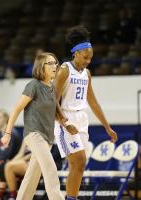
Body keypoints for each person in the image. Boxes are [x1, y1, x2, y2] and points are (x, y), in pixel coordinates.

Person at [1, 52, 78, 200]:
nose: (55, 65)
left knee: (32, 176)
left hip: (48, 138)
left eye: (56, 63)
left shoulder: (52, 88)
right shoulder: (33, 85)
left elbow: (56, 112)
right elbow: (17, 109)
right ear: (41, 67)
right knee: (50, 170)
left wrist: (66, 124)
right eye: (50, 63)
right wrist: (7, 133)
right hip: (34, 134)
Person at [53, 25, 118, 200]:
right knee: (79, 160)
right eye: (86, 57)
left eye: (91, 58)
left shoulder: (87, 74)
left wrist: (107, 127)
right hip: (65, 119)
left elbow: (93, 102)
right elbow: (52, 101)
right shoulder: (64, 70)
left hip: (82, 119)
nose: (88, 60)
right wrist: (65, 122)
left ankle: (71, 197)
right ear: (76, 53)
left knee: (79, 166)